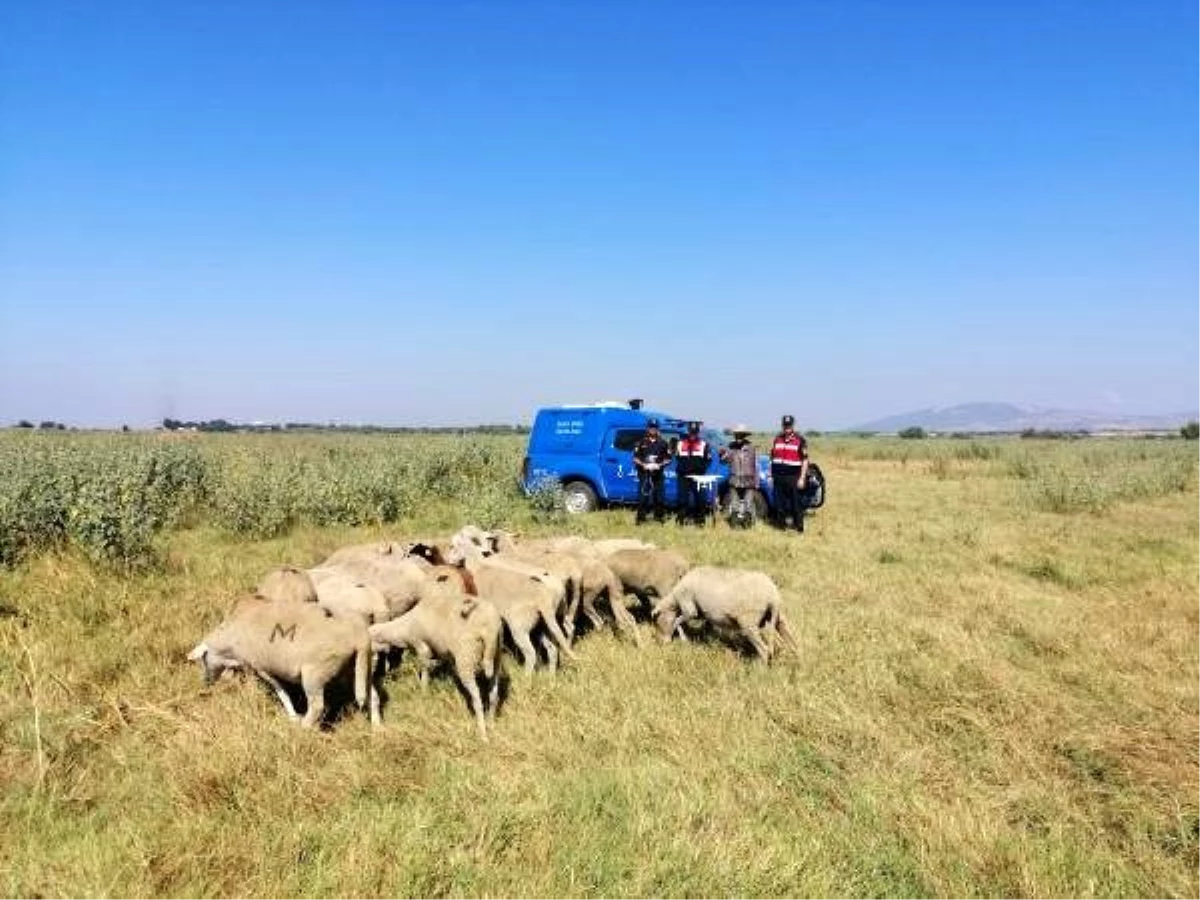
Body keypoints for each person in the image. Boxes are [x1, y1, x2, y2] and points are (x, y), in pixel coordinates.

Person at [769, 414, 809, 532]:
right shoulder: (777, 439)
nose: (787, 428)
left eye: (789, 425)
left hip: (793, 477)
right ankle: (781, 526)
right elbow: (772, 458)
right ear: (782, 426)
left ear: (793, 426)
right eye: (785, 425)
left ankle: (799, 527)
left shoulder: (800, 440)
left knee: (796, 503)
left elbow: (805, 460)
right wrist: (771, 475)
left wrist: (802, 478)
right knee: (780, 503)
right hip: (778, 476)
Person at [633, 418, 671, 524]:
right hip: (644, 474)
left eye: (654, 427)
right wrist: (643, 465)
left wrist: (659, 465)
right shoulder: (641, 442)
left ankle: (659, 519)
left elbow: (668, 459)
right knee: (643, 498)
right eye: (651, 427)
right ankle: (640, 519)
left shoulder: (663, 443)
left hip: (658, 474)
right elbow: (635, 458)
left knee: (659, 498)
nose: (653, 429)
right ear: (648, 428)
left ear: (657, 429)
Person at [674, 420, 713, 525]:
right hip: (683, 476)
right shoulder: (680, 443)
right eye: (691, 432)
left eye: (695, 432)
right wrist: (684, 467)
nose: (693, 435)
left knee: (701, 499)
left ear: (698, 432)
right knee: (682, 499)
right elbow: (677, 457)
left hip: (698, 476)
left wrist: (701, 468)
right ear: (688, 431)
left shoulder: (704, 444)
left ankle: (700, 521)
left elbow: (708, 459)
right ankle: (681, 520)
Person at [719, 424, 758, 527]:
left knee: (748, 505)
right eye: (737, 435)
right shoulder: (730, 447)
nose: (738, 438)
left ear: (744, 436)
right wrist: (722, 454)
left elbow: (755, 465)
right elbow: (724, 461)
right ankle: (735, 525)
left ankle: (747, 525)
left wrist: (756, 482)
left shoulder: (751, 447)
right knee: (735, 504)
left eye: (741, 435)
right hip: (734, 479)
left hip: (749, 480)